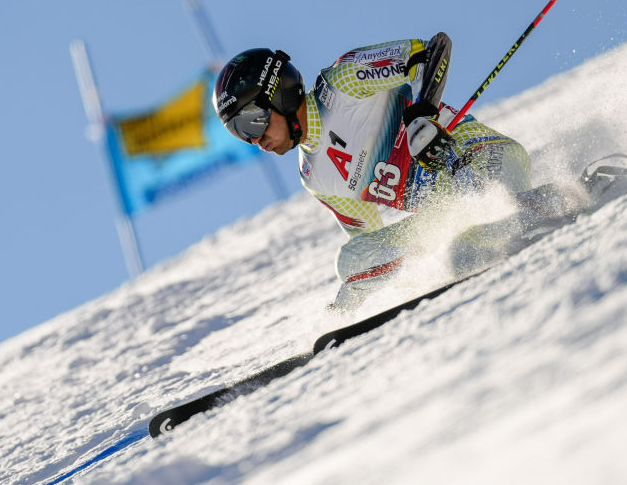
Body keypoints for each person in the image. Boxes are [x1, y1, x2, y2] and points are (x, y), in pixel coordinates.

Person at [213, 33, 538, 308]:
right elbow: (373, 244)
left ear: (278, 93)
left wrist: (424, 114)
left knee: (477, 210)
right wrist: (342, 313)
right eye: (239, 132)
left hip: (484, 157)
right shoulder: (314, 176)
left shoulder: (342, 82)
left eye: (251, 121)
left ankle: (538, 208)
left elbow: (431, 50)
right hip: (446, 215)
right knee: (350, 262)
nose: (254, 139)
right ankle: (478, 241)